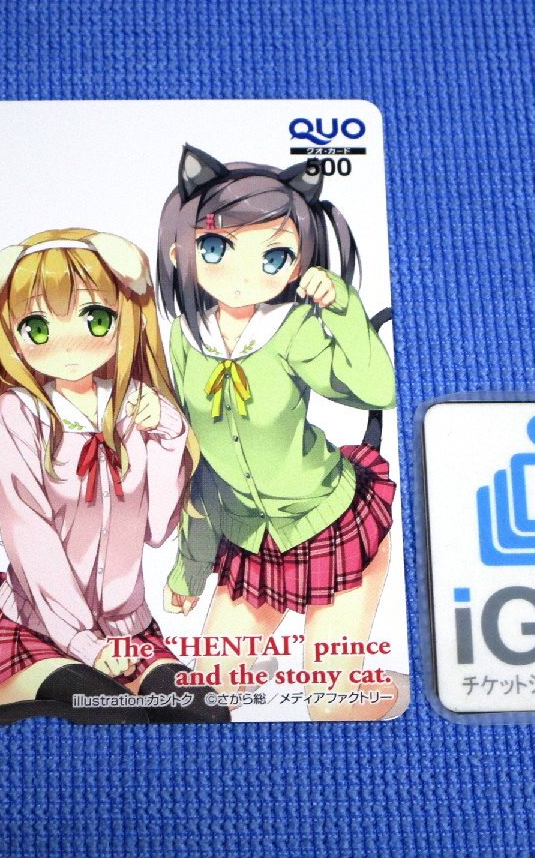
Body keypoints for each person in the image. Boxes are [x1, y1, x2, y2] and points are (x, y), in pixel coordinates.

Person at [0, 227, 227, 724]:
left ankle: (10, 707)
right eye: (38, 328)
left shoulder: (137, 407)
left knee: (202, 712)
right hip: (37, 626)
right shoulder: (18, 414)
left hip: (127, 628)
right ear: (10, 334)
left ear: (125, 317)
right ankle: (0, 705)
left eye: (95, 318)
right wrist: (85, 644)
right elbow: (31, 537)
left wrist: (168, 437)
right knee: (110, 713)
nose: (69, 345)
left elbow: (157, 529)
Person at [156, 146, 404, 721]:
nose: (244, 275)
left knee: (330, 707)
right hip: (251, 541)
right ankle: (268, 667)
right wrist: (190, 567)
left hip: (330, 525)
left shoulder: (291, 329)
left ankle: (396, 689)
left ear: (297, 265)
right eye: (216, 248)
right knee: (205, 700)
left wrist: (343, 308)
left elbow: (378, 389)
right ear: (181, 251)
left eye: (273, 256)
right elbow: (201, 466)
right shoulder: (184, 339)